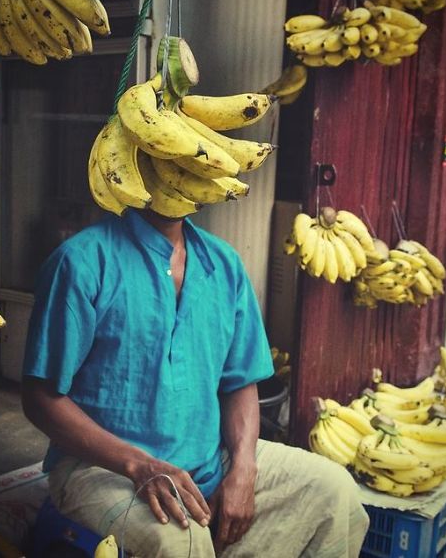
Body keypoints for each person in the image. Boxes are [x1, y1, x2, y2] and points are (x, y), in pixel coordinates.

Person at [21, 209, 369, 557]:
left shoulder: (224, 263)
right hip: (101, 467)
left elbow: (240, 382)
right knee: (182, 543)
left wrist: (244, 469)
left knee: (335, 492)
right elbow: (40, 398)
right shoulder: (81, 261)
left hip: (207, 456)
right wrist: (137, 464)